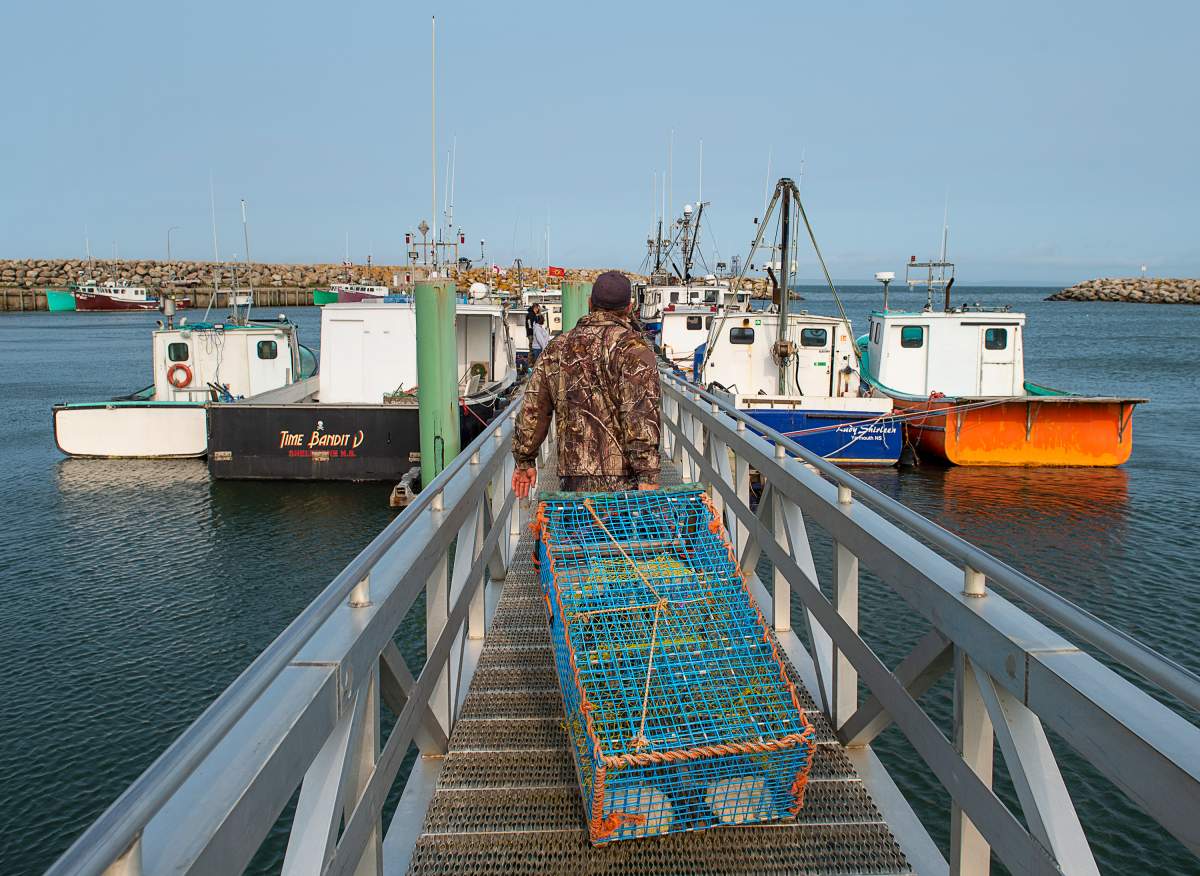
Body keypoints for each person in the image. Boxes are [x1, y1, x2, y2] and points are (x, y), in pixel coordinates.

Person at [512, 271, 661, 495]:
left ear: (589, 303)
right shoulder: (635, 350)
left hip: (573, 475)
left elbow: (534, 409)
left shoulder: (557, 348)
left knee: (577, 529)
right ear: (629, 308)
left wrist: (524, 460)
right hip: (624, 481)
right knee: (616, 532)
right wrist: (648, 474)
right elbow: (640, 414)